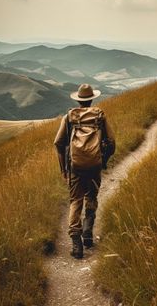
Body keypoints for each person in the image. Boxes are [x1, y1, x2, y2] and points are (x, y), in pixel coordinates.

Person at [54, 83, 115, 259]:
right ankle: (88, 232)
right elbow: (111, 142)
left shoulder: (68, 118)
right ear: (92, 99)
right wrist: (102, 161)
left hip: (75, 167)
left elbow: (58, 143)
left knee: (75, 201)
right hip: (94, 167)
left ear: (79, 100)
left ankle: (76, 243)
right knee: (91, 197)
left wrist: (64, 169)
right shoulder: (99, 116)